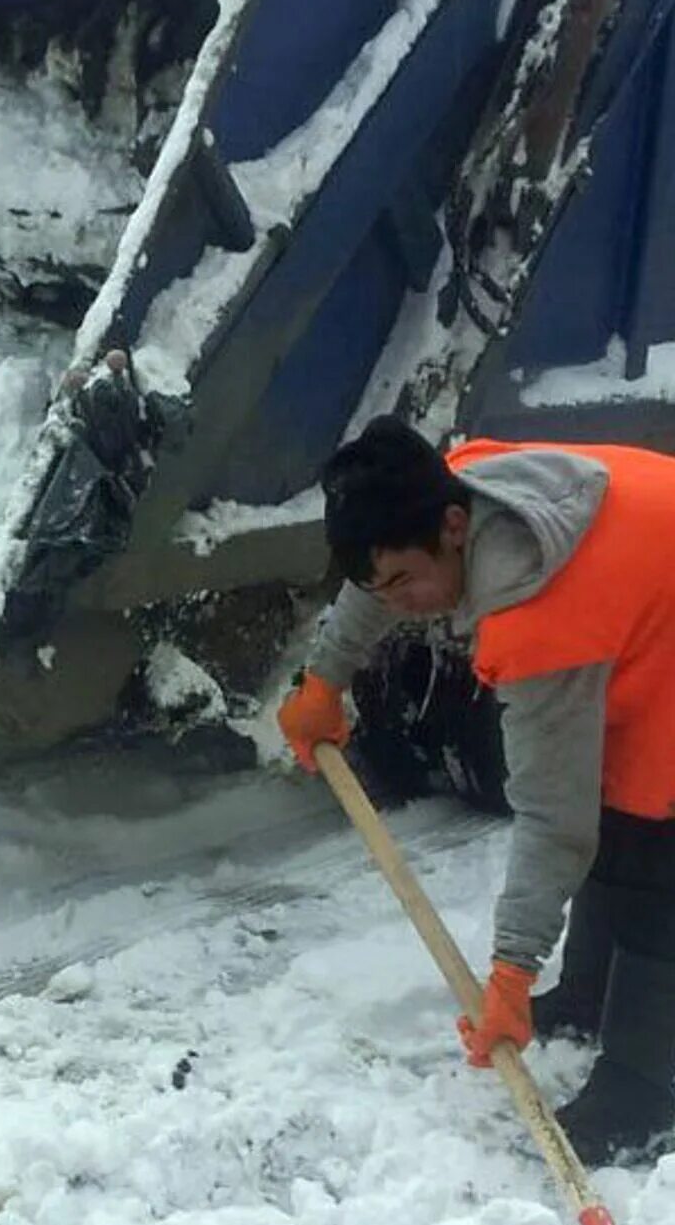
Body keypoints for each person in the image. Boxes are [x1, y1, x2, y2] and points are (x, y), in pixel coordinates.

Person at [277, 417, 675, 1168]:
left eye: (404, 583)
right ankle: (590, 994)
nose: (395, 600)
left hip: (652, 613)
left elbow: (553, 821)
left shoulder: (539, 619)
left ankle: (644, 1086)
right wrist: (326, 676)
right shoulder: (457, 484)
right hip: (651, 596)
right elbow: (380, 580)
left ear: (455, 529)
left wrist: (511, 972)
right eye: (380, 583)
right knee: (609, 797)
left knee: (657, 829)